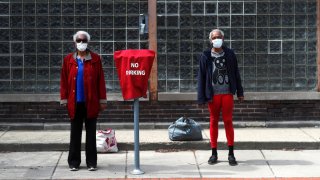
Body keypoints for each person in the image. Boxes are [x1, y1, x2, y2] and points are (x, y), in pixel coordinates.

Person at [60, 31, 107, 171]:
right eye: (79, 40)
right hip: (74, 103)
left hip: (91, 102)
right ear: (75, 43)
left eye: (84, 40)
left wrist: (102, 100)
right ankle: (74, 163)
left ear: (88, 42)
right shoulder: (68, 59)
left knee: (91, 134)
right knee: (75, 134)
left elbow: (100, 81)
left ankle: (91, 162)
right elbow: (63, 81)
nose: (81, 43)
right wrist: (63, 99)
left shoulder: (95, 59)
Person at [197, 29, 244, 166]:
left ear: (223, 39)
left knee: (228, 121)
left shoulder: (230, 54)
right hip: (213, 95)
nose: (217, 39)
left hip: (227, 93)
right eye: (214, 37)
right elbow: (201, 77)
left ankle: (231, 153)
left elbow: (236, 73)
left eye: (219, 37)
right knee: (213, 122)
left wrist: (240, 92)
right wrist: (201, 97)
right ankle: (214, 153)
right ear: (210, 40)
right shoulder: (205, 55)